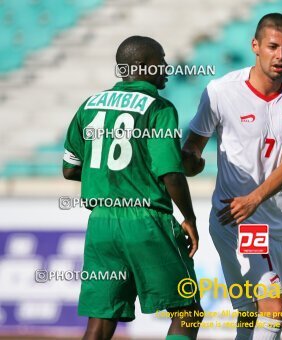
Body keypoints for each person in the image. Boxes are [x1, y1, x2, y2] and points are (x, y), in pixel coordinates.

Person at [182, 13, 282, 340]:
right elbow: (193, 151)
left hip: (274, 217)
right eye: (273, 46)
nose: (280, 56)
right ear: (255, 46)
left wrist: (256, 198)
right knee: (273, 305)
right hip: (235, 217)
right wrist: (186, 162)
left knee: (250, 311)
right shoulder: (219, 92)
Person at [62, 35, 203, 340]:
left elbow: (70, 167)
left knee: (99, 323)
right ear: (140, 65)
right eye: (160, 61)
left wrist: (113, 179)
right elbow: (171, 173)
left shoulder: (90, 104)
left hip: (101, 225)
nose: (166, 67)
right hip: (145, 223)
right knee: (188, 311)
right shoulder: (159, 107)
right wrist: (189, 218)